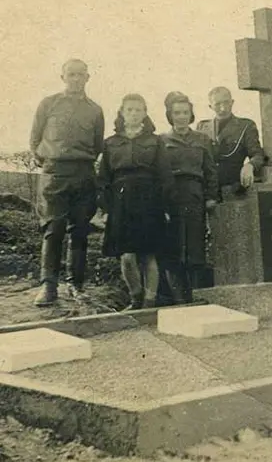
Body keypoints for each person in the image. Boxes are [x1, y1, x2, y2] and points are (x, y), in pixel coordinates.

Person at [29, 59, 105, 306]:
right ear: (62, 77)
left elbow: (96, 144)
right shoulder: (48, 104)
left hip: (82, 173)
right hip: (55, 174)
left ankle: (76, 284)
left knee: (80, 230)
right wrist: (51, 164)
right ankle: (48, 286)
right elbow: (35, 140)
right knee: (53, 229)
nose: (75, 79)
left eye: (80, 74)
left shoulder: (95, 110)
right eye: (71, 74)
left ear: (87, 77)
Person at [97, 94, 173, 309]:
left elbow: (165, 176)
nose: (133, 113)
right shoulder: (110, 143)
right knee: (127, 256)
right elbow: (103, 179)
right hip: (121, 202)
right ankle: (135, 297)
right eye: (129, 109)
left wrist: (165, 206)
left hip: (150, 202)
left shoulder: (155, 141)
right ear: (122, 112)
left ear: (145, 113)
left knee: (149, 254)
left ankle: (150, 302)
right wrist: (106, 208)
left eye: (138, 110)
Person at [161, 93, 219, 304]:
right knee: (174, 249)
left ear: (191, 114)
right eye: (177, 113)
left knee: (195, 246)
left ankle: (196, 296)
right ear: (170, 115)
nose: (182, 117)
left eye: (185, 112)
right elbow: (159, 173)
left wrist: (211, 197)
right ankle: (178, 299)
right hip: (172, 196)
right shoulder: (162, 141)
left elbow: (211, 170)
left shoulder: (202, 140)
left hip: (195, 195)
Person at [196, 86, 265, 199]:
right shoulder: (202, 127)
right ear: (210, 106)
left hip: (234, 189)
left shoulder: (246, 126)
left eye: (226, 102)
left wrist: (250, 165)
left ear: (232, 102)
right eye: (217, 104)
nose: (223, 108)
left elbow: (258, 155)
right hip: (208, 190)